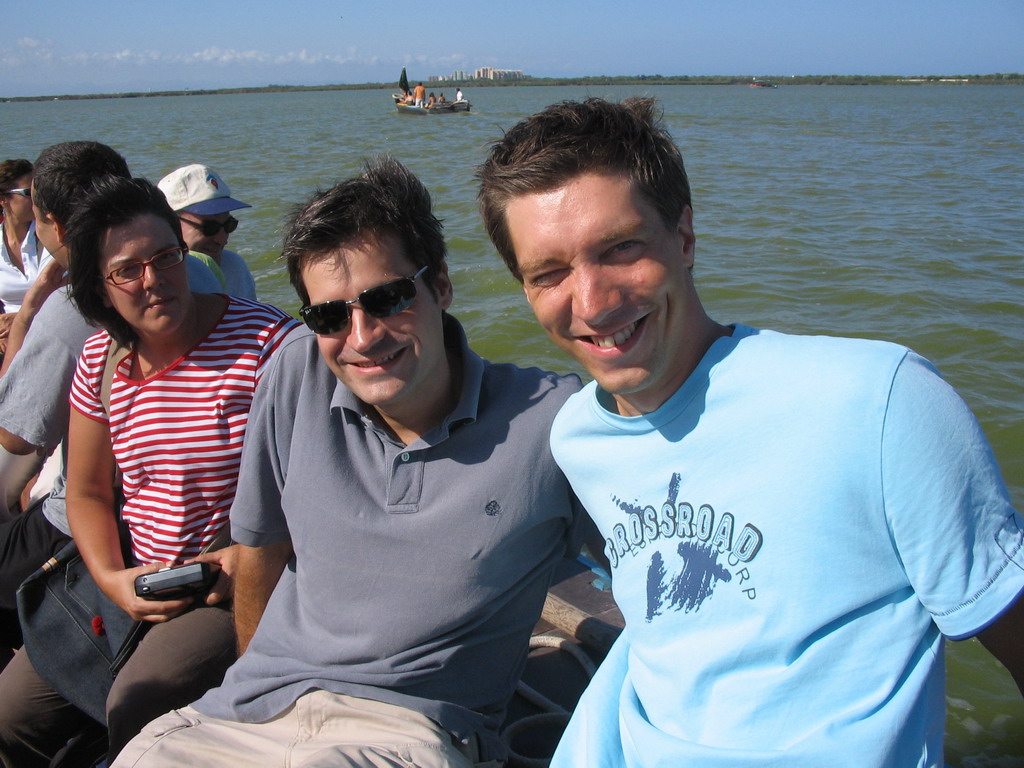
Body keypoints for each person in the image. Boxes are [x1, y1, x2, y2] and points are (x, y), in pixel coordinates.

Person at [476, 97, 1024, 767]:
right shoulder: (577, 438)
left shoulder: (878, 402)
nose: (590, 303)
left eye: (620, 249)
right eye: (549, 273)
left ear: (683, 237)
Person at [112, 156, 592, 768]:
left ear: (440, 285)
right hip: (248, 715)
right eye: (330, 315)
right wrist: (251, 682)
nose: (362, 337)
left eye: (388, 298)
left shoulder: (552, 421)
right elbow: (260, 551)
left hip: (405, 729)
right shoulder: (293, 373)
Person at [0, 175, 299, 766]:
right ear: (98, 287)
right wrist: (113, 579)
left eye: (166, 257)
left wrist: (249, 558)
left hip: (230, 584)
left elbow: (319, 480)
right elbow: (86, 491)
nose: (154, 280)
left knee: (137, 706)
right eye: (127, 270)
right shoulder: (102, 359)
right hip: (135, 576)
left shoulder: (269, 345)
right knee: (11, 716)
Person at [0, 142, 219, 659]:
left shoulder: (70, 311)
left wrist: (30, 311)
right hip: (149, 523)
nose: (150, 281)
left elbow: (15, 438)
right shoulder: (201, 277)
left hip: (98, 532)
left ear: (50, 220)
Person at [158, 163, 258, 299]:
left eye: (229, 225)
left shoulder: (234, 267)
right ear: (168, 224)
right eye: (209, 228)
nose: (222, 239)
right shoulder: (152, 281)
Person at [0, 159, 52, 357]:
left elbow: (60, 294)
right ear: (3, 199)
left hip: (47, 327)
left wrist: (18, 320)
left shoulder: (51, 237)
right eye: (29, 193)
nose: (38, 199)